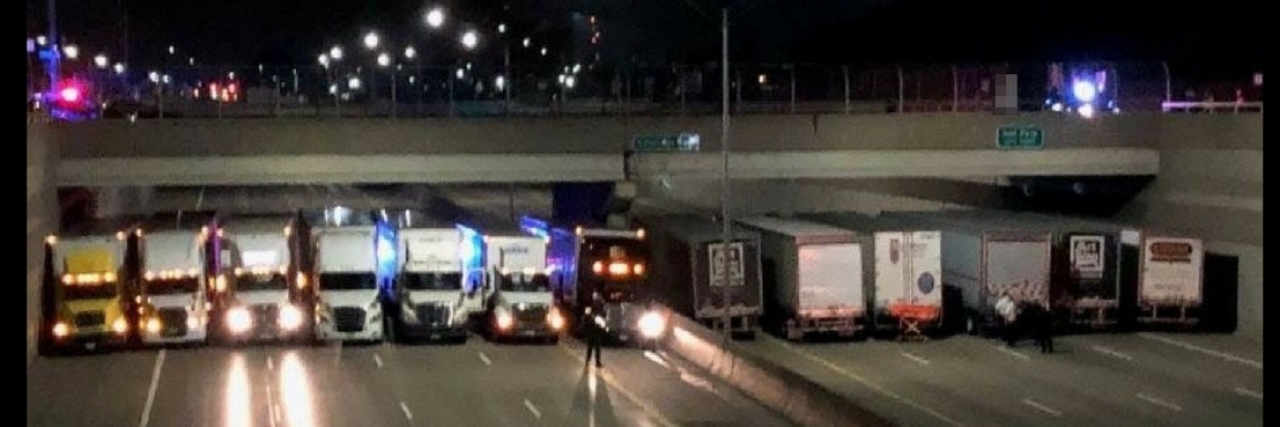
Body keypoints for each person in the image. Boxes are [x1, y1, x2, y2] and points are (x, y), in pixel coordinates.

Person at [583, 291, 606, 368]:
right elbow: (603, 317)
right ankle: (597, 362)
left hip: (592, 329)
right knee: (597, 347)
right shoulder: (600, 307)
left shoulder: (591, 307)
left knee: (591, 346)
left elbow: (586, 317)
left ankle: (588, 360)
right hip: (596, 329)